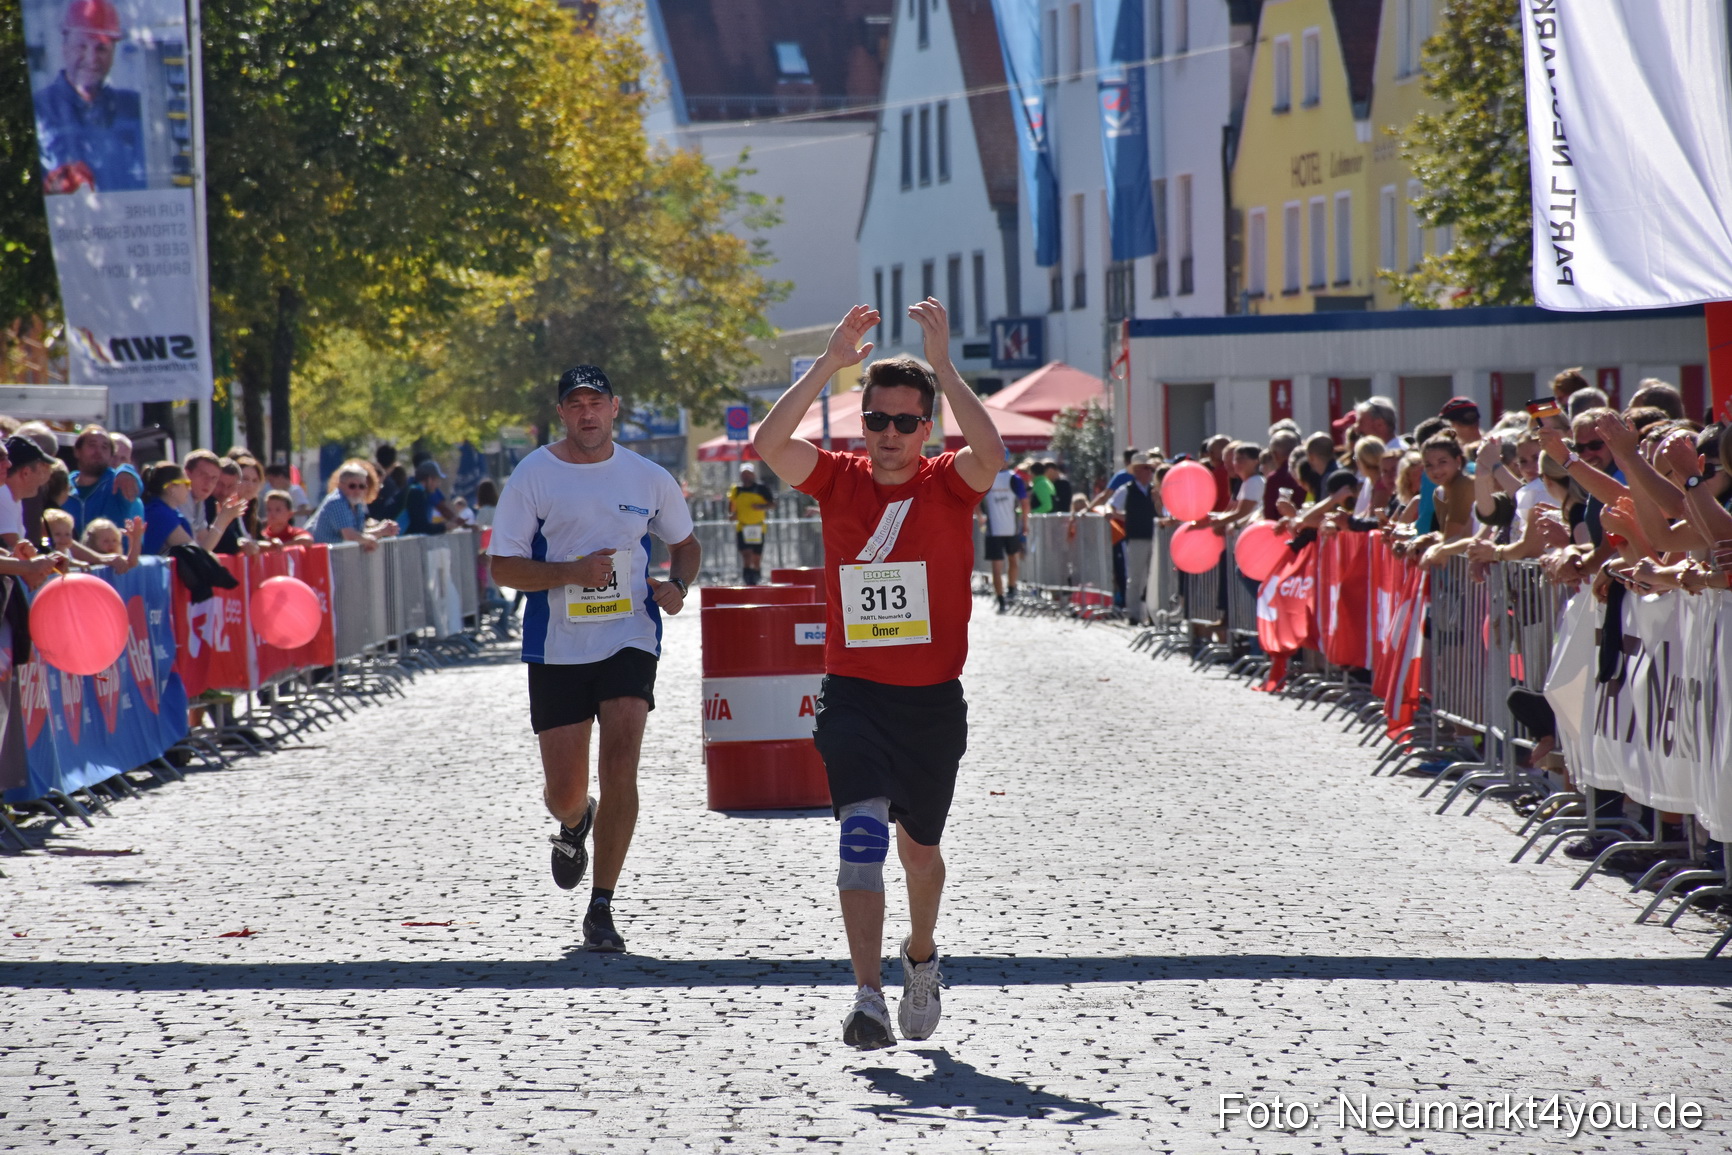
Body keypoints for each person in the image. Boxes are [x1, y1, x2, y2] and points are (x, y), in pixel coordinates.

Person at [753, 299, 1004, 1051]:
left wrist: (947, 367)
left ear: (926, 427)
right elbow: (770, 444)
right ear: (861, 422)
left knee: (919, 852)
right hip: (854, 692)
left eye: (904, 421)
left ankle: (919, 956)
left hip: (930, 702)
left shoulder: (947, 482)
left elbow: (990, 454)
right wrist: (830, 365)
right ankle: (866, 996)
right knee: (860, 836)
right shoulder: (839, 480)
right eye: (877, 420)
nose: (889, 435)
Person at [488, 365, 700, 954]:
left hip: (629, 636)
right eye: (575, 403)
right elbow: (502, 567)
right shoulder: (534, 475)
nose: (587, 413)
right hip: (557, 646)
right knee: (564, 790)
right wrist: (570, 574)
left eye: (597, 402)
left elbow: (685, 545)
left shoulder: (648, 476)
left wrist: (678, 585)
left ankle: (602, 904)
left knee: (622, 764)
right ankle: (576, 821)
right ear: (562, 413)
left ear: (615, 408)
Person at [33, 0, 146, 194]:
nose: (92, 59)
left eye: (101, 48)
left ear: (112, 53)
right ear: (65, 46)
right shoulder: (40, 108)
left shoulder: (136, 107)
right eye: (82, 46)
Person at [1107, 454, 1161, 625]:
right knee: (1136, 576)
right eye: (1145, 468)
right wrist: (1118, 515)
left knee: (1154, 577)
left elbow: (1161, 512)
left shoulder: (1154, 491)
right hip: (1137, 537)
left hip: (1155, 537)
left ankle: (1153, 614)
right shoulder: (1127, 489)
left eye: (1149, 468)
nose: (1148, 472)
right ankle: (1134, 613)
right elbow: (1112, 504)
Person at [62, 423, 142, 537]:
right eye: (92, 445)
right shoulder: (63, 487)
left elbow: (136, 486)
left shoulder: (117, 483)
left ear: (110, 456)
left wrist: (127, 471)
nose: (98, 451)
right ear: (77, 451)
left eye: (104, 447)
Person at [310, 460, 399, 550]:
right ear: (341, 485)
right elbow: (350, 536)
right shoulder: (337, 501)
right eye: (352, 486)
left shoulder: (357, 504)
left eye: (362, 486)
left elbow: (358, 533)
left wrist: (381, 530)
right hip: (324, 559)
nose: (357, 490)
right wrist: (370, 540)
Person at [979, 464, 1027, 613]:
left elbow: (1024, 501)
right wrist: (980, 515)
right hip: (994, 531)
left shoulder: (1014, 478)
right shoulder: (987, 476)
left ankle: (1011, 588)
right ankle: (1001, 599)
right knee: (998, 567)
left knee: (1012, 561)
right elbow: (976, 497)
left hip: (1010, 529)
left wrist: (1025, 523)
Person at [727, 466, 774, 585]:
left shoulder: (762, 488)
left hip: (758, 527)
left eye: (748, 474)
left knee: (756, 557)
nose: (746, 477)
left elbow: (772, 504)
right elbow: (731, 505)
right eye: (743, 474)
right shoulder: (736, 489)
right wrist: (732, 515)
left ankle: (757, 578)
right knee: (746, 555)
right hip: (742, 527)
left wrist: (760, 507)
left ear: (753, 475)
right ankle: (748, 580)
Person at [402, 459, 460, 535]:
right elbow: (421, 527)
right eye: (437, 481)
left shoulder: (415, 490)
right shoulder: (416, 493)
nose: (438, 485)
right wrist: (445, 527)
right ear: (429, 479)